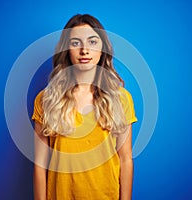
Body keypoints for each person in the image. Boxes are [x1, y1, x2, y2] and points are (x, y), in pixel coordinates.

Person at [32, 14, 137, 200]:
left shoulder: (121, 99)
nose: (84, 50)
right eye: (75, 43)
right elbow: (39, 164)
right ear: (66, 50)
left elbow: (126, 159)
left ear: (102, 48)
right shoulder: (46, 99)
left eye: (92, 42)